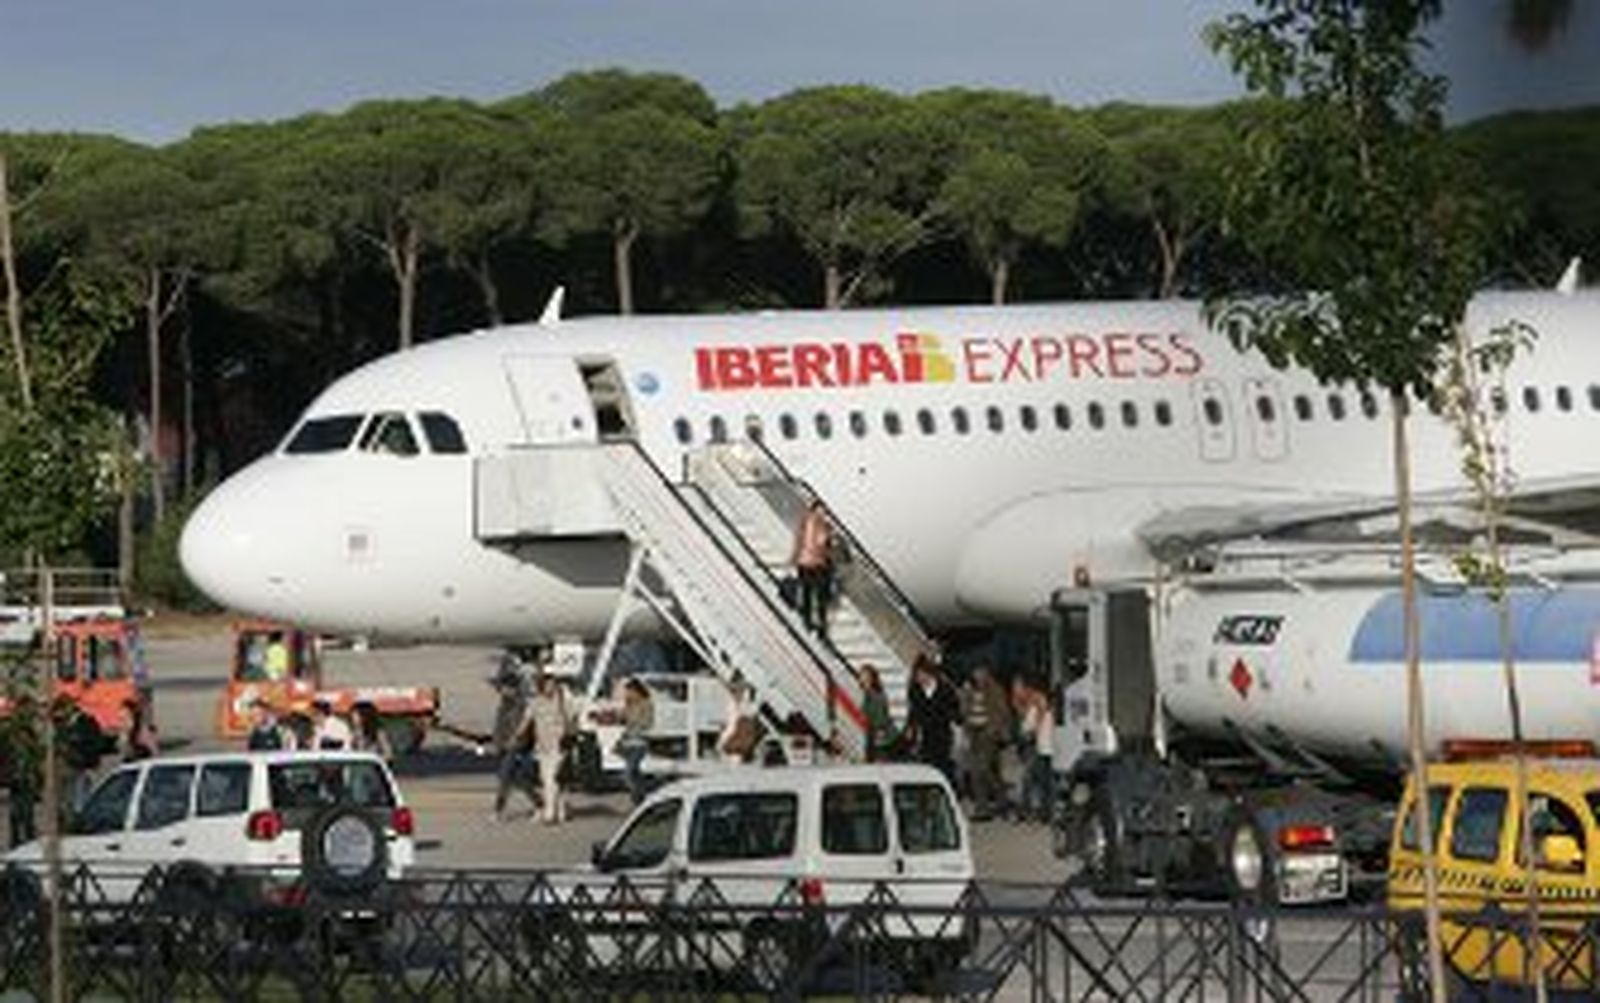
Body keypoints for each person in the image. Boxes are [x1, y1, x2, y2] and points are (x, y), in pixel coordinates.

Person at [490, 652, 538, 822]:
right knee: (520, 781)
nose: (501, 690)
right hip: (505, 746)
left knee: (504, 778)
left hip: (515, 746)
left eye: (503, 687)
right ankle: (539, 804)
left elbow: (521, 727)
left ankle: (498, 811)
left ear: (511, 688)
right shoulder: (505, 704)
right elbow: (500, 726)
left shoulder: (518, 705)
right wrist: (496, 742)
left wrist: (516, 743)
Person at [961, 666, 1012, 821]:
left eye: (980, 673)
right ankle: (982, 808)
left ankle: (1002, 798)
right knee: (975, 772)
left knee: (983, 768)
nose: (977, 676)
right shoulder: (969, 689)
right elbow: (964, 711)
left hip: (988, 734)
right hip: (973, 734)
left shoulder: (995, 689)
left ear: (986, 673)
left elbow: (1003, 712)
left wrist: (993, 729)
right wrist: (965, 695)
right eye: (975, 673)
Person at [524, 671, 571, 824]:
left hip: (559, 745)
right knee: (553, 780)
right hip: (543, 747)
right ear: (541, 687)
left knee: (551, 780)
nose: (551, 688)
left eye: (554, 685)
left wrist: (568, 734)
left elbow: (572, 719)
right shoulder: (535, 702)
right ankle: (561, 810)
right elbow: (527, 720)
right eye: (548, 685)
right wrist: (516, 736)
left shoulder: (564, 700)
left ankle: (550, 814)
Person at [905, 655, 959, 786]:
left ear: (928, 673)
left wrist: (953, 720)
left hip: (942, 732)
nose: (918, 678)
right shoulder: (914, 690)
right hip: (926, 733)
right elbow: (913, 711)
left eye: (920, 674)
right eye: (916, 675)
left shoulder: (945, 689)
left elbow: (954, 709)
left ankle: (950, 790)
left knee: (943, 765)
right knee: (928, 765)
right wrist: (910, 727)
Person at [791, 500, 835, 639]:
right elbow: (803, 541)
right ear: (814, 509)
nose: (823, 512)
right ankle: (810, 622)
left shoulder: (824, 525)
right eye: (820, 509)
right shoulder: (810, 523)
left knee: (816, 596)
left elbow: (824, 546)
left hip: (817, 564)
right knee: (809, 594)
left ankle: (818, 625)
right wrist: (795, 557)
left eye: (824, 510)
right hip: (807, 563)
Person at [618, 679, 654, 805]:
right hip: (628, 743)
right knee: (635, 772)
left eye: (629, 691)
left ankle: (638, 798)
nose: (627, 694)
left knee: (628, 773)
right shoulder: (629, 704)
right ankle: (643, 795)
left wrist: (634, 724)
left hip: (639, 743)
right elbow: (622, 719)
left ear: (636, 691)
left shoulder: (646, 703)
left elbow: (647, 722)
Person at [717, 679, 761, 763]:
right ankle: (730, 752)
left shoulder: (746, 704)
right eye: (736, 692)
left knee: (736, 732)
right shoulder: (731, 704)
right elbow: (730, 720)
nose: (738, 694)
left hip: (741, 731)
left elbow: (751, 713)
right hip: (733, 733)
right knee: (730, 732)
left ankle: (735, 752)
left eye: (740, 692)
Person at [859, 664, 896, 761]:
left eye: (865, 676)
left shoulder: (876, 695)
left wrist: (879, 733)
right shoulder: (868, 693)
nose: (862, 678)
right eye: (861, 675)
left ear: (872, 678)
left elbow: (881, 718)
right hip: (872, 732)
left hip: (880, 734)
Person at [121, 698, 157, 762]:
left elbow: (154, 751)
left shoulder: (142, 731)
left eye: (122, 710)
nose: (120, 714)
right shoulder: (124, 731)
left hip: (141, 763)